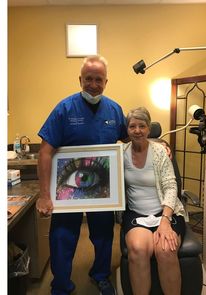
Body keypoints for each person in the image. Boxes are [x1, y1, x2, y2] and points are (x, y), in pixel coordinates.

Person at [36, 55, 127, 295]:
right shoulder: (64, 109)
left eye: (99, 79)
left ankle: (100, 275)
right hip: (67, 188)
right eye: (89, 79)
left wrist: (157, 145)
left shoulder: (115, 110)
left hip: (102, 190)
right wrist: (44, 196)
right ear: (80, 80)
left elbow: (130, 143)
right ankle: (62, 284)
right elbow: (45, 153)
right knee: (62, 237)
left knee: (103, 235)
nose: (93, 84)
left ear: (106, 81)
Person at [122, 107, 186, 295]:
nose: (137, 130)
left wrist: (165, 221)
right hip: (136, 213)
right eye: (132, 126)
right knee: (138, 249)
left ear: (149, 129)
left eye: (142, 125)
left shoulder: (160, 152)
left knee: (166, 250)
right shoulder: (120, 153)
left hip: (165, 212)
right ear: (127, 130)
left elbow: (171, 187)